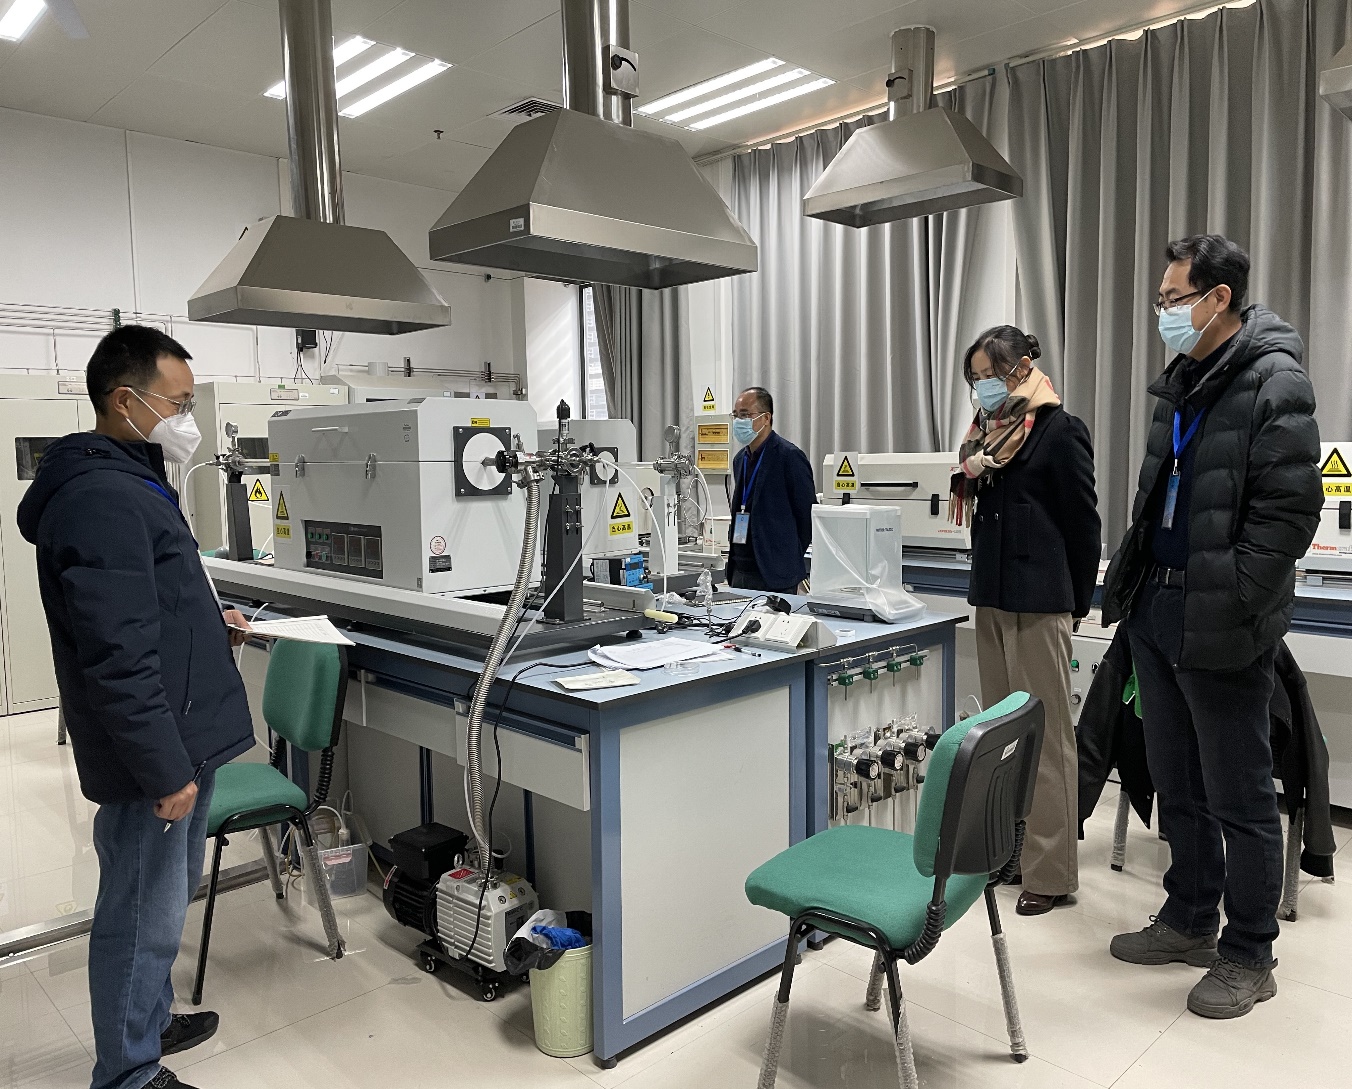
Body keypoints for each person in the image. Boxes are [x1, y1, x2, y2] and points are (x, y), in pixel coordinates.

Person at [17, 326, 257, 1089]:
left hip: (180, 733)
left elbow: (149, 601)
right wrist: (162, 765)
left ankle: (147, 1022)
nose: (187, 419)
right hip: (159, 748)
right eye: (177, 403)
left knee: (161, 898)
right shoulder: (101, 496)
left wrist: (209, 620)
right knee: (140, 913)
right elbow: (116, 651)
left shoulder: (132, 478)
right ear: (125, 400)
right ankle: (128, 1071)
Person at [1101, 235, 1322, 1018]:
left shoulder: (1274, 381)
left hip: (1221, 619)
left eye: (1173, 299)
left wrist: (1233, 599)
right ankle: (1190, 916)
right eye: (1161, 300)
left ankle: (1250, 952)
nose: (1163, 311)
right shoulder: (1183, 382)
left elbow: (1290, 513)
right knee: (1176, 779)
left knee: (1240, 794)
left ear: (1218, 298)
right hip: (1157, 610)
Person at [950, 327, 1101, 916]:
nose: (981, 387)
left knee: (1047, 738)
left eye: (988, 375)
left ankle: (1051, 872)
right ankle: (1007, 853)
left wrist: (1076, 602)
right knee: (1000, 736)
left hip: (1040, 603)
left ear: (1020, 368)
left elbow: (1083, 524)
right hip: (991, 598)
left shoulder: (1059, 431)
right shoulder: (984, 437)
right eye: (974, 379)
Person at [725, 386, 815, 594]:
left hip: (776, 573)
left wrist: (786, 556)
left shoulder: (789, 457)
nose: (739, 421)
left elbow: (807, 517)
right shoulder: (740, 460)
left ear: (766, 418)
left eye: (745, 415)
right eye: (736, 415)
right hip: (740, 569)